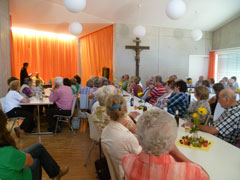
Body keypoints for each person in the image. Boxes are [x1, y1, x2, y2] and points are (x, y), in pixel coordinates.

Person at [122, 109, 209, 180]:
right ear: (172, 140)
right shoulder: (191, 171)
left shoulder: (127, 161)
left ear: (139, 137)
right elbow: (205, 176)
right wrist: (176, 153)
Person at [0, 109, 69, 180]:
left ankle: (56, 173)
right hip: (22, 173)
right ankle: (56, 173)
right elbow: (30, 161)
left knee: (38, 148)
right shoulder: (8, 151)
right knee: (36, 158)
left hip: (9, 169)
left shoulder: (6, 150)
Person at [101, 95, 141, 178]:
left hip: (119, 173)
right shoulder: (127, 137)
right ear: (126, 110)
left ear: (108, 112)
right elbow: (145, 158)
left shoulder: (105, 131)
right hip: (129, 174)